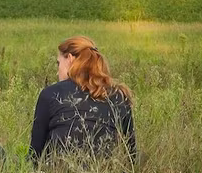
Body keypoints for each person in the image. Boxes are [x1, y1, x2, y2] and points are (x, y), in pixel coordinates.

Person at [29, 36, 136, 165]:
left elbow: (35, 154)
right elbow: (131, 153)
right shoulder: (119, 95)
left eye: (58, 63)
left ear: (69, 58)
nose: (57, 72)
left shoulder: (51, 94)